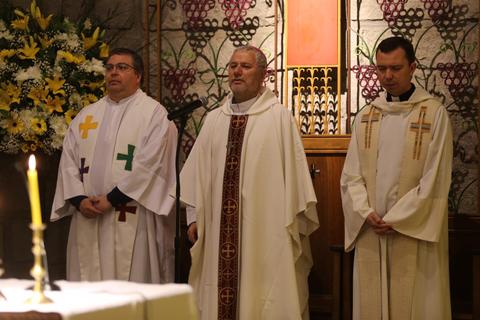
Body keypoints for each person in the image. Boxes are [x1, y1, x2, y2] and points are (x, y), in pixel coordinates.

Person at [178, 45, 319, 320]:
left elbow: (296, 180)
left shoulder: (278, 118)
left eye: (245, 66)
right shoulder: (213, 120)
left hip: (266, 233)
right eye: (232, 66)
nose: (237, 71)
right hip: (217, 231)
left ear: (263, 74)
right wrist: (193, 217)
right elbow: (196, 174)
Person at [341, 36, 452, 320]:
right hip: (371, 229)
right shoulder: (367, 115)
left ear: (413, 67)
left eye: (395, 68)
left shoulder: (434, 114)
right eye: (381, 68)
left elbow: (435, 178)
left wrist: (397, 218)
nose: (387, 76)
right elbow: (351, 175)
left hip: (413, 229)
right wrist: (366, 213)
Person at [51, 48, 178, 283]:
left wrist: (113, 198)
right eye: (109, 68)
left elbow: (152, 165)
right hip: (87, 215)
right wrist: (79, 201)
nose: (113, 73)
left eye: (122, 68)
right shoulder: (87, 115)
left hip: (131, 215)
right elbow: (68, 161)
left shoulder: (154, 114)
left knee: (132, 286)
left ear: (137, 76)